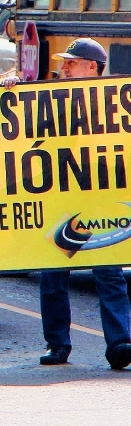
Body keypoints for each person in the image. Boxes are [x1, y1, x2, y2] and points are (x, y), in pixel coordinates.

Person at [38, 39, 131, 369]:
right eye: (65, 62)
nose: (64, 68)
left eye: (71, 63)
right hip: (62, 197)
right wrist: (10, 87)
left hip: (101, 201)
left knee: (108, 273)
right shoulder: (50, 98)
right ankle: (58, 344)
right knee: (52, 276)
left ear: (92, 67)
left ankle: (120, 342)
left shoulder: (116, 100)